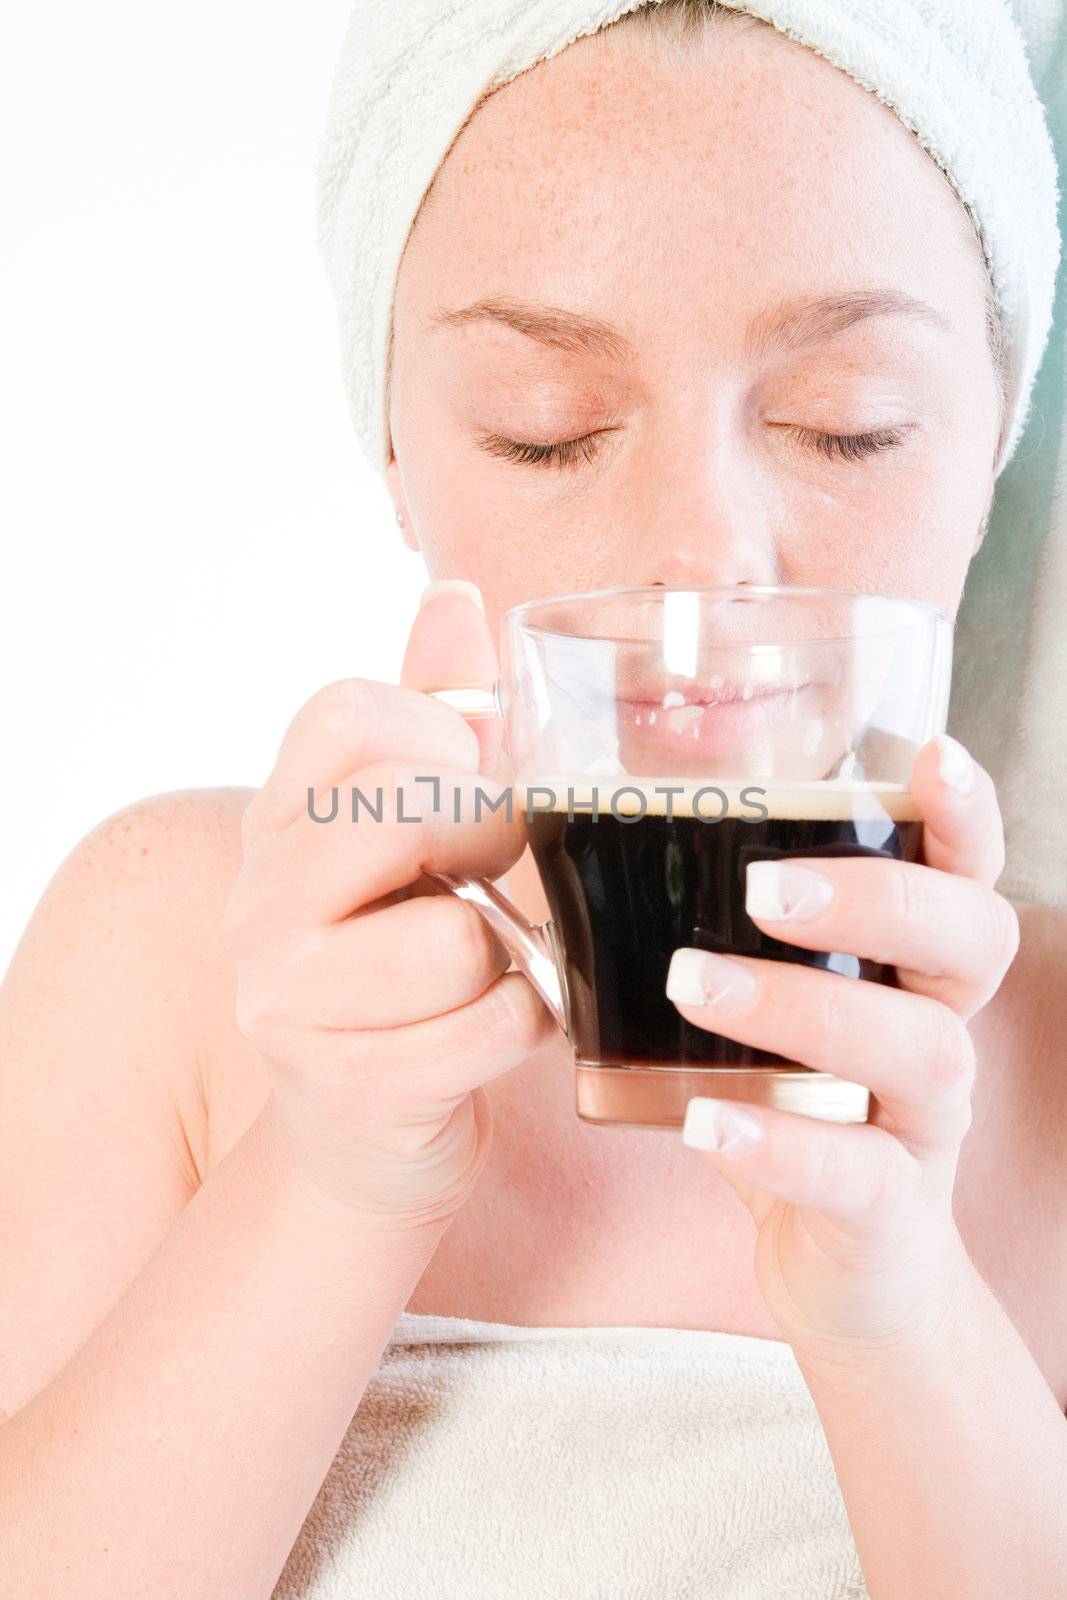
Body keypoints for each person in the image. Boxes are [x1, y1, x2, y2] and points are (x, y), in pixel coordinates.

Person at [1, 2, 1066, 1597]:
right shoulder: (167, 943)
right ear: (396, 446)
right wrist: (333, 1175)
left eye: (851, 421)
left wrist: (895, 1307)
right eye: (547, 433)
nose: (703, 554)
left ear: (991, 437)